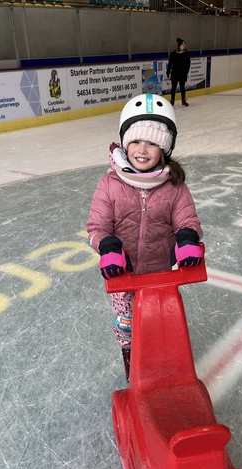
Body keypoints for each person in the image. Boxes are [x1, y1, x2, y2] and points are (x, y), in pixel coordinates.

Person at [86, 94, 203, 380]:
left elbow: (186, 219)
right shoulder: (110, 184)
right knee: (128, 323)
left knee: (161, 321)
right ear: (125, 143)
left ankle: (162, 365)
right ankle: (132, 361)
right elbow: (96, 226)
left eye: (152, 143)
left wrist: (187, 238)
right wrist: (107, 246)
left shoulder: (174, 185)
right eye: (136, 141)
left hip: (160, 274)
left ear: (164, 148)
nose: (142, 149)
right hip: (122, 275)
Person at [166, 38, 191, 107]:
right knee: (173, 87)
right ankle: (172, 100)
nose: (184, 46)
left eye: (184, 45)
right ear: (179, 46)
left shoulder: (186, 54)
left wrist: (186, 72)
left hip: (182, 73)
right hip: (175, 73)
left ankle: (183, 100)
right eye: (182, 45)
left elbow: (188, 64)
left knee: (182, 87)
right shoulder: (174, 53)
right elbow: (170, 63)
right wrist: (168, 71)